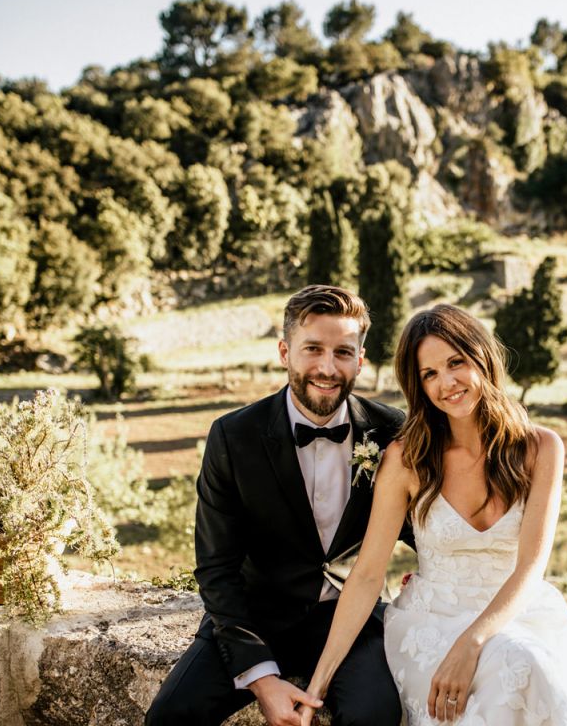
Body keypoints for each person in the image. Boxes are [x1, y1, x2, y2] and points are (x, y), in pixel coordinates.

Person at [300, 304, 567, 725]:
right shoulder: (408, 460)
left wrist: (472, 642)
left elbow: (531, 566)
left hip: (520, 617)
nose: (447, 383)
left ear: (482, 357)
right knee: (520, 666)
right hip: (430, 627)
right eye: (430, 374)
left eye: (456, 362)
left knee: (525, 662)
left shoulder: (541, 449)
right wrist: (317, 686)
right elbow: (366, 577)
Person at [146, 285, 408, 726]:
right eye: (312, 349)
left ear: (360, 360)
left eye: (343, 352)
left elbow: (427, 531)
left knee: (374, 714)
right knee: (171, 715)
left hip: (352, 619)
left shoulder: (392, 432)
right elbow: (216, 569)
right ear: (285, 352)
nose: (327, 367)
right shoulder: (233, 437)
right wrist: (262, 680)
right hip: (255, 616)